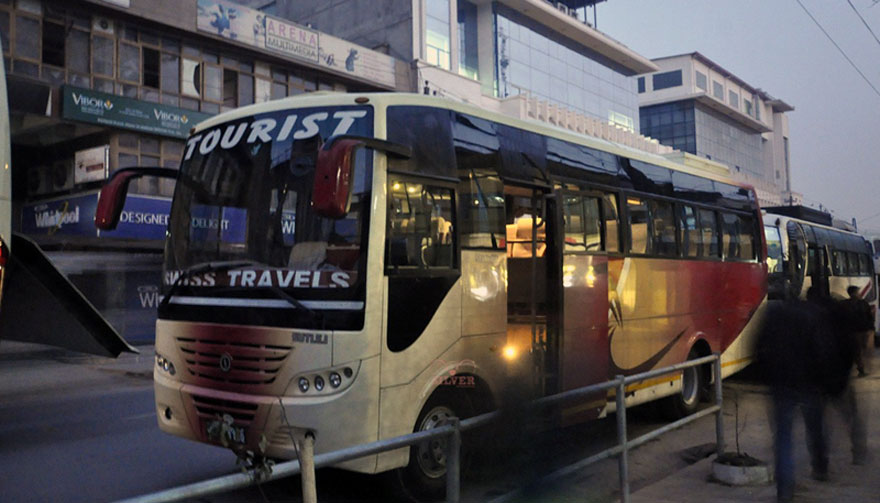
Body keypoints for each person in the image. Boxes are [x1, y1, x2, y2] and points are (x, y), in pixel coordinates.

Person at [755, 291, 831, 502]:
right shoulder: (812, 314)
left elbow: (759, 347)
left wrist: (766, 377)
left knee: (783, 438)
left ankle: (784, 491)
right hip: (809, 384)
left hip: (781, 384)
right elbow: (822, 350)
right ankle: (820, 466)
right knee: (815, 428)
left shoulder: (773, 315)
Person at [841, 285, 875, 377]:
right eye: (858, 292)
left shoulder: (845, 304)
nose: (859, 293)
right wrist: (871, 328)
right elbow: (869, 316)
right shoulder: (862, 303)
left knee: (858, 350)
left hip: (854, 330)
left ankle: (860, 368)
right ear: (854, 293)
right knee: (858, 350)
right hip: (859, 330)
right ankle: (861, 369)